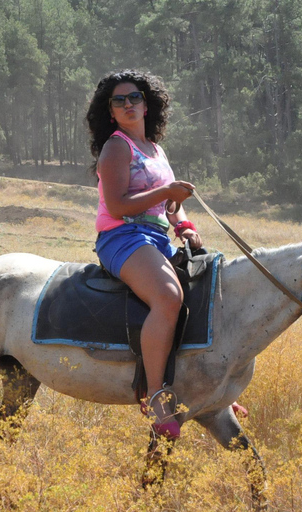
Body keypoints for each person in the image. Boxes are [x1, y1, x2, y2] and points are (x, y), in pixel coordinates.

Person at [86, 70, 201, 439]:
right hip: (121, 236)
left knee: (204, 290)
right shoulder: (116, 147)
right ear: (111, 111)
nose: (128, 104)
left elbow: (170, 203)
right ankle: (156, 398)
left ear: (147, 103)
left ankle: (203, 387)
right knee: (168, 296)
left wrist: (184, 225)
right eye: (119, 101)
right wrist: (166, 192)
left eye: (134, 97)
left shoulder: (155, 148)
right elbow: (118, 206)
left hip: (157, 236)